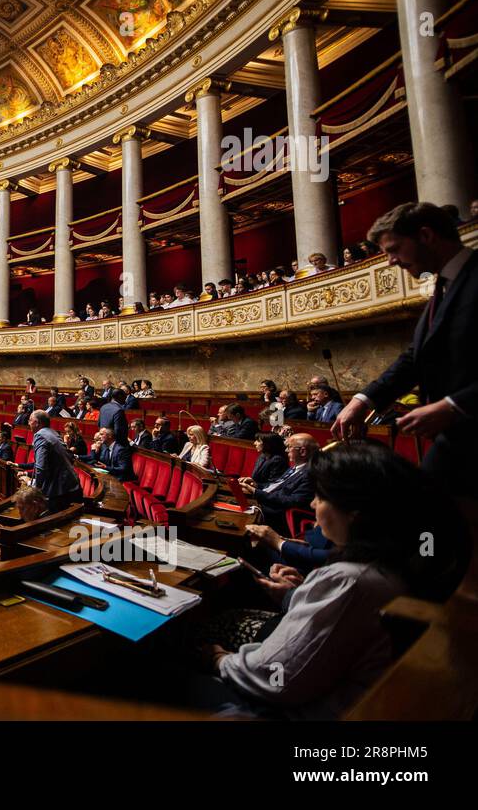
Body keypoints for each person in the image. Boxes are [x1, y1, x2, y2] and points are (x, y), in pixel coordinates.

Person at [198, 442, 454, 718]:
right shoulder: (400, 560)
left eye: (320, 496)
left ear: (354, 514)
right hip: (325, 691)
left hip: (294, 711)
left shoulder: (351, 581)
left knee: (170, 670)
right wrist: (296, 594)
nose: (312, 504)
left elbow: (276, 678)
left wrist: (218, 660)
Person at [334, 202, 476, 490]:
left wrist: (453, 406)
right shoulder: (443, 286)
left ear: (426, 236)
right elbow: (416, 357)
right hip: (457, 440)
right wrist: (364, 400)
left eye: (394, 249)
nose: (390, 261)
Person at [253, 433, 320, 531]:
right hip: (268, 503)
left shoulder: (309, 474)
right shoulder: (294, 468)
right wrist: (257, 485)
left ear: (302, 451)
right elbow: (276, 485)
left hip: (278, 515)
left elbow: (292, 501)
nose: (286, 450)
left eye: (289, 447)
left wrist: (257, 493)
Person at [27, 410, 82, 511]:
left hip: (61, 492)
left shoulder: (40, 436)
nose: (28, 423)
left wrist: (35, 490)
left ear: (38, 422)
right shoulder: (53, 433)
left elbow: (40, 468)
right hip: (72, 486)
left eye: (30, 420)